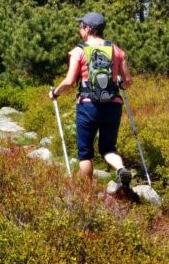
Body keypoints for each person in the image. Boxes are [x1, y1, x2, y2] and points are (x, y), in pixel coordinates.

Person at [48, 12, 134, 190]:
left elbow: (70, 81)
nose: (79, 29)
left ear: (88, 29)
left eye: (81, 26)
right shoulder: (116, 50)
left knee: (85, 152)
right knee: (108, 148)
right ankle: (121, 168)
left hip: (88, 106)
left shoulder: (79, 51)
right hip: (113, 105)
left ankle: (86, 192)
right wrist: (117, 81)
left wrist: (55, 93)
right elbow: (128, 81)